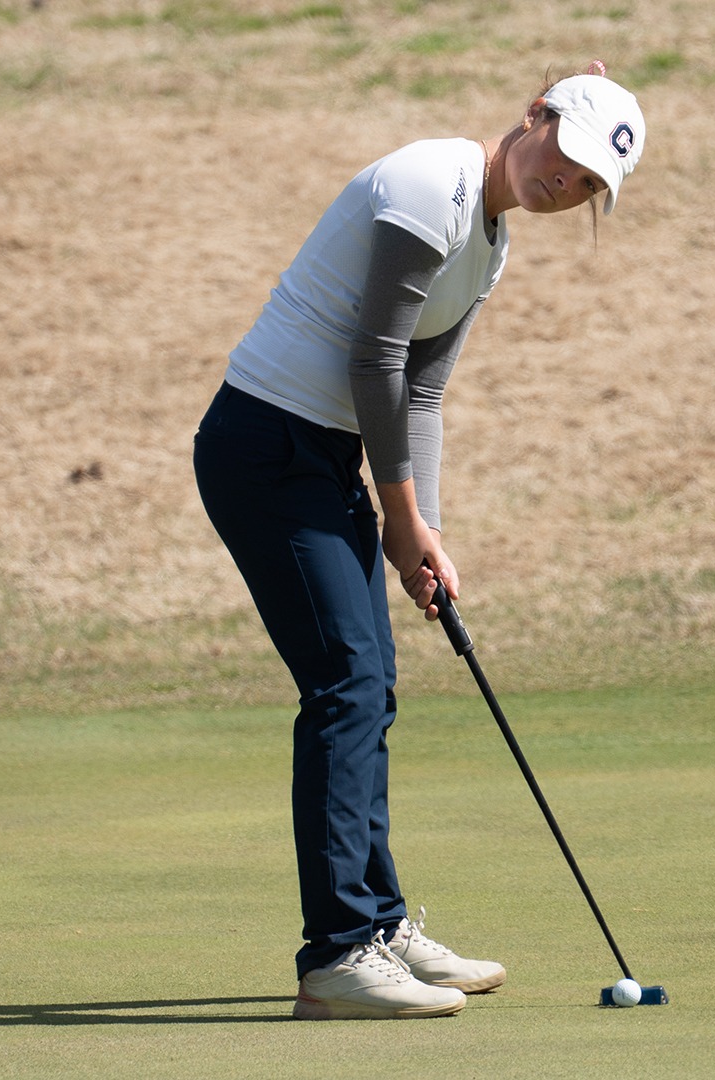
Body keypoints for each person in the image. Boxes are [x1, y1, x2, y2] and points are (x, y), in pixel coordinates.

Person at [192, 63, 646, 1021]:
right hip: (264, 444)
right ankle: (338, 954)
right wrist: (398, 518)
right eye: (562, 162)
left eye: (583, 190)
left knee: (370, 681)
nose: (560, 188)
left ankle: (380, 925)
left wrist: (422, 532)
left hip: (322, 459)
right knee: (346, 681)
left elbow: (424, 394)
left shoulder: (490, 244)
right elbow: (377, 359)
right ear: (535, 119)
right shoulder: (429, 183)